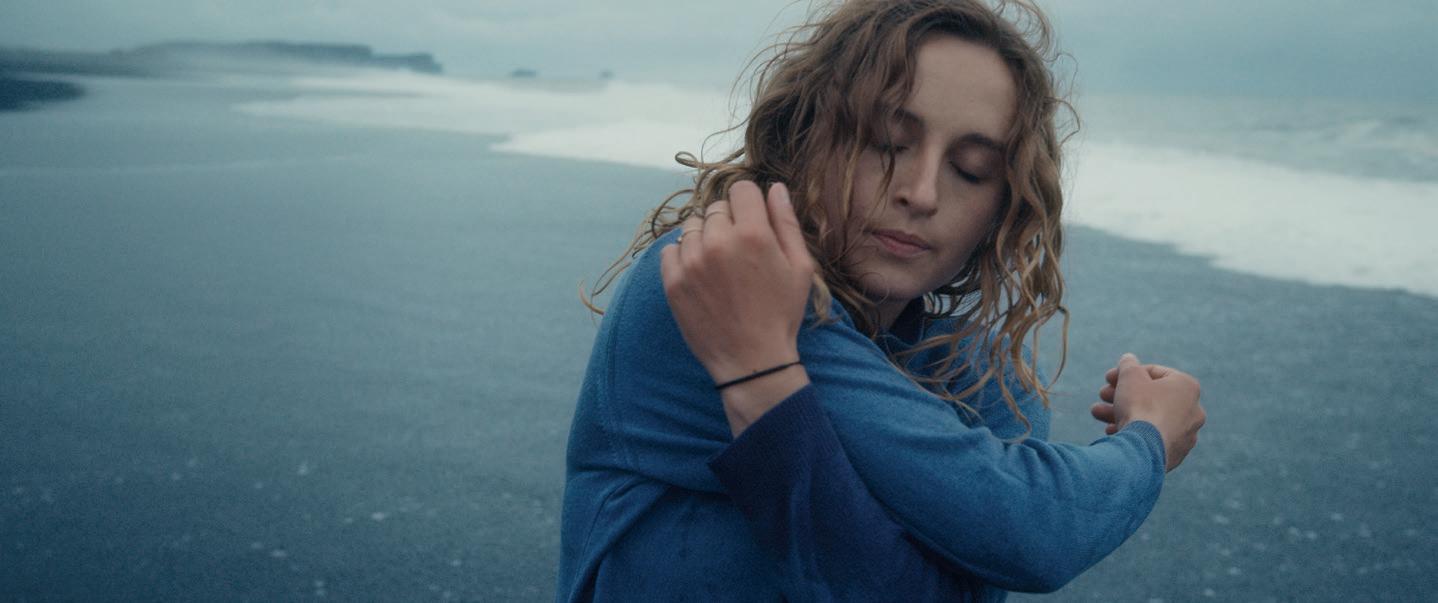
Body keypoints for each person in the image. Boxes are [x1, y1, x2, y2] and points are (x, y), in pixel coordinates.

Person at [558, 1, 1206, 600]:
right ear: (803, 135)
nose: (921, 192)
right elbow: (1035, 526)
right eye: (887, 143)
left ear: (1001, 210)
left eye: (971, 169)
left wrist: (767, 386)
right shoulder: (711, 273)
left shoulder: (981, 374)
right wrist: (1149, 437)